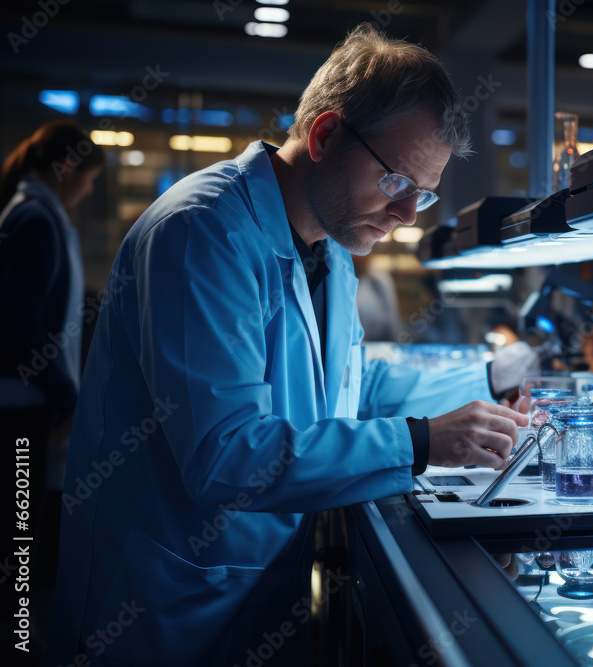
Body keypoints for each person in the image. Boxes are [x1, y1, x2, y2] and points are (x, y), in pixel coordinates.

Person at [49, 25, 536, 666]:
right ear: (325, 135)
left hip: (254, 586)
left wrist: (489, 386)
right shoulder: (203, 233)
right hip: (160, 600)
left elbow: (351, 386)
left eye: (424, 193)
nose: (408, 216)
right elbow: (224, 455)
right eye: (397, 183)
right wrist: (420, 443)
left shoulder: (331, 249)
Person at [0, 121, 103, 657]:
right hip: (20, 411)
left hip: (24, 406)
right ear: (66, 169)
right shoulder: (36, 219)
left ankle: (17, 633)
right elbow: (19, 329)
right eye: (88, 179)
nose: (87, 192)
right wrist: (68, 398)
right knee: (19, 531)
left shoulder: (30, 212)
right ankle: (17, 639)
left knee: (19, 529)